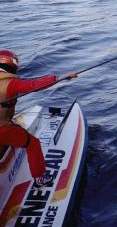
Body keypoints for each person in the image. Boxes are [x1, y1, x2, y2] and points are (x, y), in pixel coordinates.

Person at [0, 50, 77, 188]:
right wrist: (60, 78)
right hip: (1, 129)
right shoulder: (10, 83)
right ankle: (40, 178)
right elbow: (34, 85)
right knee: (32, 143)